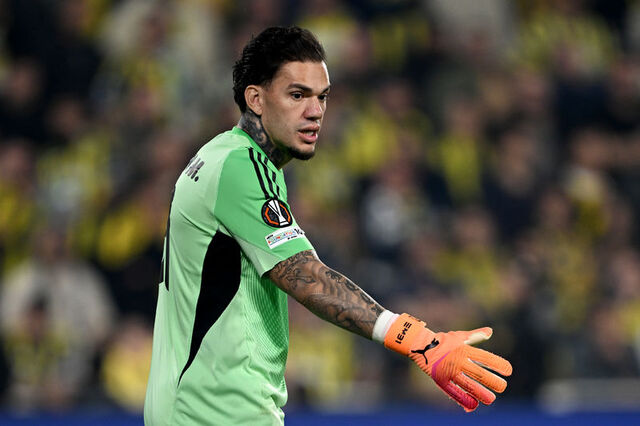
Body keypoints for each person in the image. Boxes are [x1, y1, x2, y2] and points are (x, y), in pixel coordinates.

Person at [144, 26, 512, 425]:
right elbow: (305, 275)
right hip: (216, 414)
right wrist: (418, 339)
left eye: (322, 97)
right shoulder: (240, 166)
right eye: (297, 95)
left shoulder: (222, 157)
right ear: (256, 99)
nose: (315, 111)